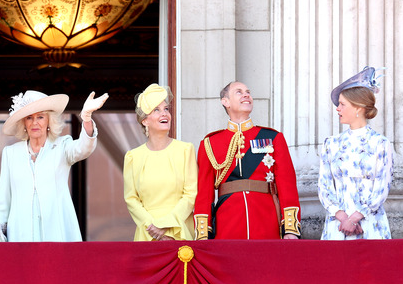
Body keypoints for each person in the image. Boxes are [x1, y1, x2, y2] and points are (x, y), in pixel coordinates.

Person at [0, 90, 108, 242]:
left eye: (40, 117)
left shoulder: (62, 146)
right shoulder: (10, 153)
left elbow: (83, 148)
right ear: (23, 123)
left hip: (57, 232)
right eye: (29, 118)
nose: (34, 122)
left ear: (49, 121)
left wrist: (87, 118)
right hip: (20, 235)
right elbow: (3, 200)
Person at [194, 81, 301, 240]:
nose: (246, 95)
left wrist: (290, 230)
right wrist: (203, 235)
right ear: (226, 101)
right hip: (227, 224)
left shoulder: (272, 138)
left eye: (248, 92)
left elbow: (287, 186)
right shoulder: (210, 143)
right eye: (239, 92)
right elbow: (204, 194)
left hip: (266, 221)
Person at [318, 67, 392, 240]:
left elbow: (382, 188)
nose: (338, 109)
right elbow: (324, 185)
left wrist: (355, 218)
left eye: (342, 104)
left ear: (358, 107)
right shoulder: (331, 144)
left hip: (371, 226)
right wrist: (343, 217)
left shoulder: (380, 143)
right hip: (337, 227)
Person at [123, 84, 197, 241]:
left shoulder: (185, 150)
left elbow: (190, 194)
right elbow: (131, 199)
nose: (165, 114)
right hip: (147, 233)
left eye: (166, 109)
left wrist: (166, 225)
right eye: (156, 110)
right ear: (145, 121)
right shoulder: (133, 157)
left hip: (179, 231)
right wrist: (153, 228)